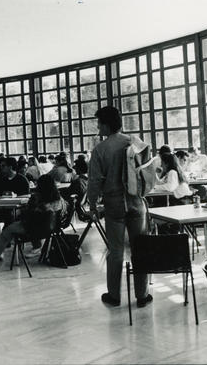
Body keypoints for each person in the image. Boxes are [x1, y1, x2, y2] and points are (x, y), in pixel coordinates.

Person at [87, 106, 152, 309]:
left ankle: (114, 296)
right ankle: (142, 295)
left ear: (106, 125)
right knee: (139, 248)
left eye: (99, 124)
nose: (98, 128)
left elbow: (94, 181)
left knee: (115, 250)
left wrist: (92, 204)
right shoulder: (135, 142)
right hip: (136, 201)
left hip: (114, 204)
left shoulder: (100, 150)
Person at [0, 175, 67, 261]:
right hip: (52, 228)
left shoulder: (37, 198)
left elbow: (29, 213)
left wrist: (21, 211)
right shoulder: (59, 199)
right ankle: (37, 246)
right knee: (21, 223)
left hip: (34, 228)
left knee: (7, 230)